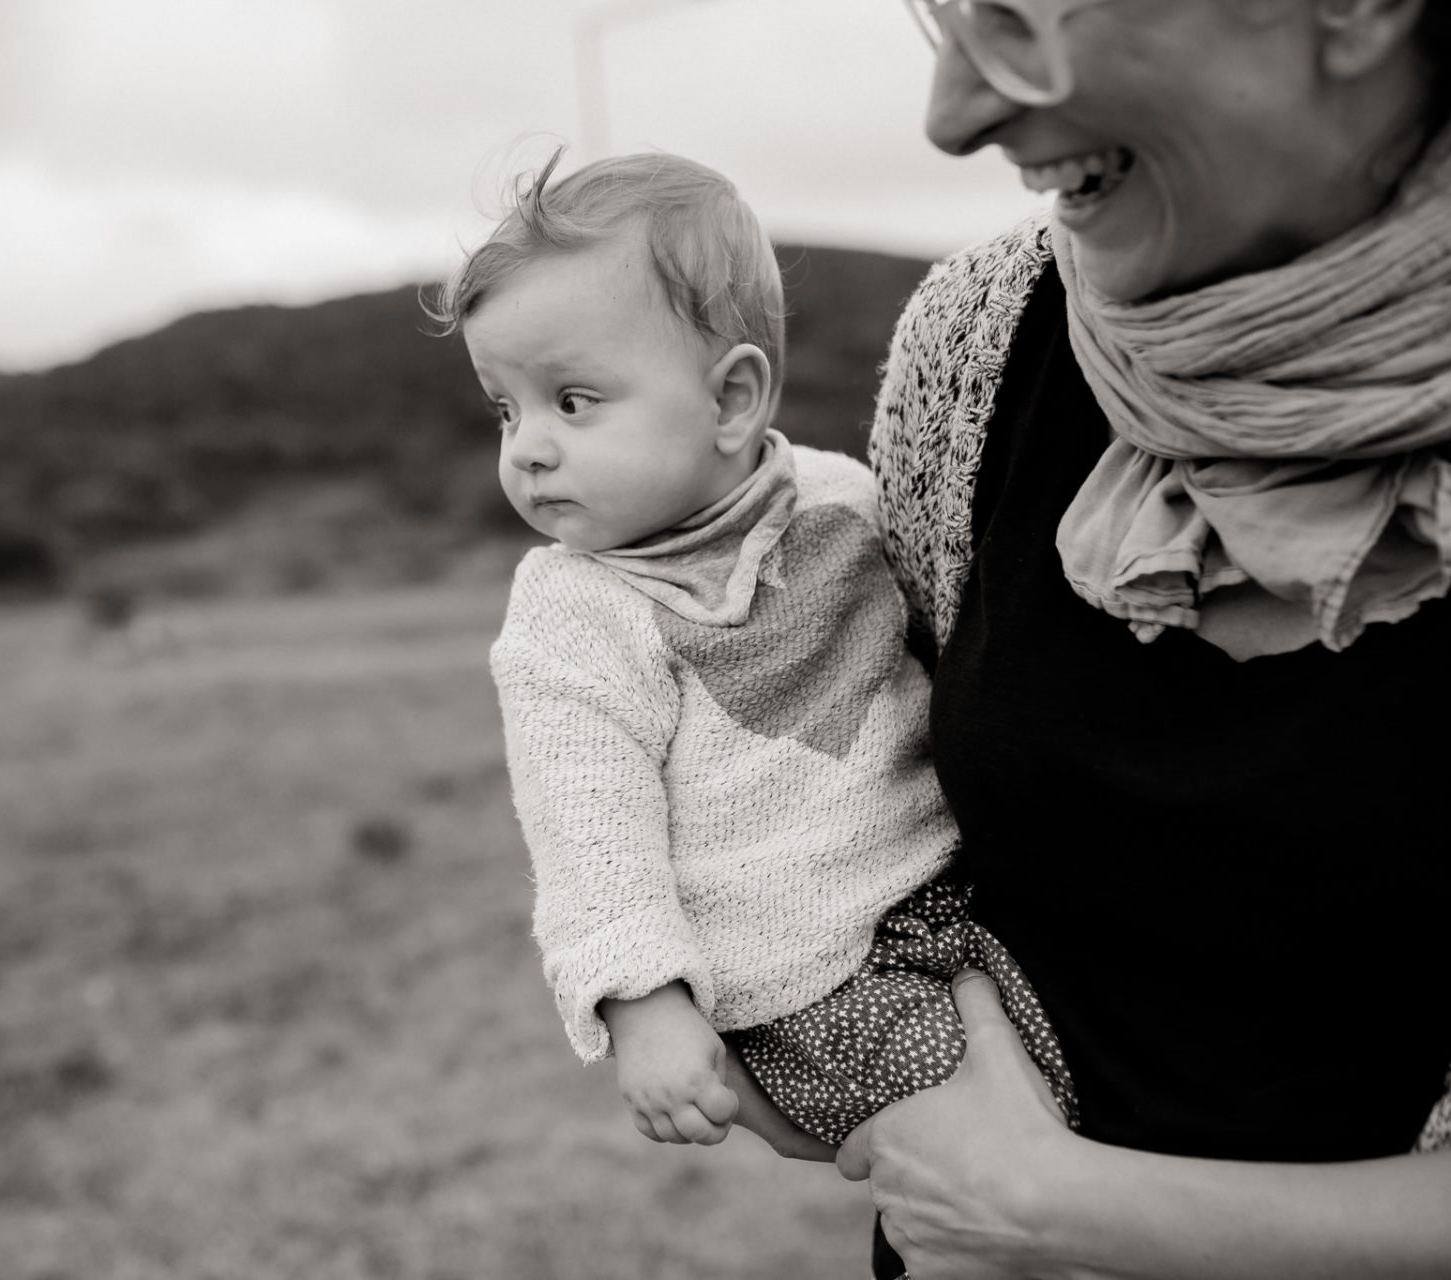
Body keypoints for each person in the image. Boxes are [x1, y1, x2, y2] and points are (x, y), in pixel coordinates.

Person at [724, 0, 1451, 1275]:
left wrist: (1048, 1202)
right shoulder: (976, 339)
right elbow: (888, 814)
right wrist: (856, 1047)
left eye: (1017, 19)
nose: (952, 111)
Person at [426, 150, 1075, 1153]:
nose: (529, 447)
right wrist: (646, 1004)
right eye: (504, 408)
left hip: (960, 896)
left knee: (1097, 1079)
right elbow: (589, 833)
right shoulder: (574, 612)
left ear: (731, 402)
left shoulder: (839, 498)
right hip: (802, 974)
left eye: (572, 400)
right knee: (983, 1164)